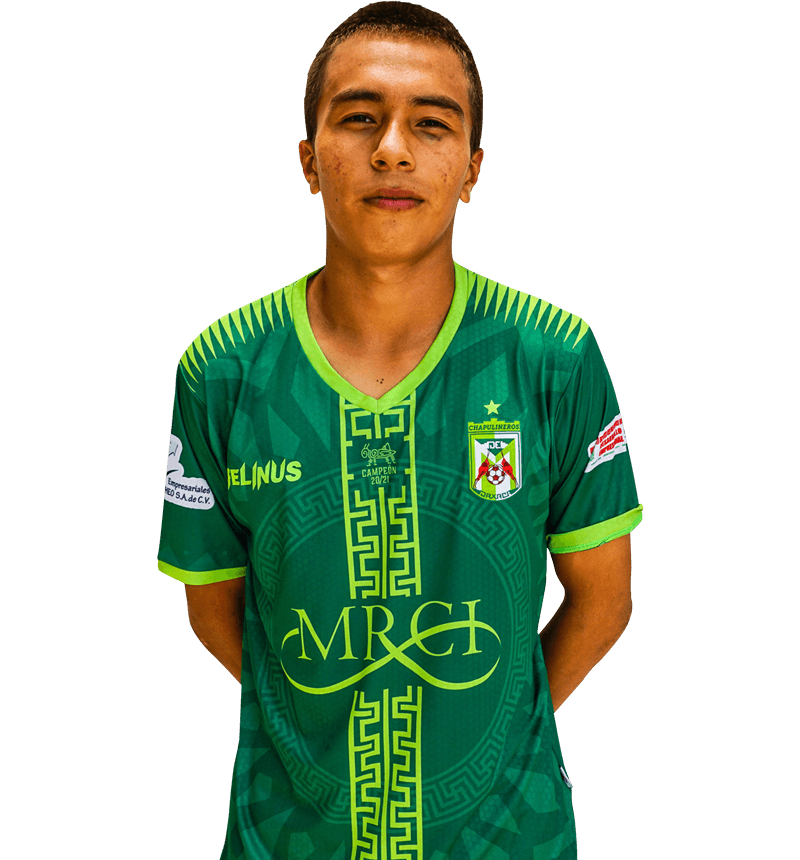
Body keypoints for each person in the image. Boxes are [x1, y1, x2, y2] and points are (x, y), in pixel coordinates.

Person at [157, 3, 643, 858]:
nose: (392, 149)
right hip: (286, 841)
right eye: (358, 118)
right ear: (309, 161)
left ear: (473, 169)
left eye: (431, 124)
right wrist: (310, 732)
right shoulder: (223, 368)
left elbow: (603, 600)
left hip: (508, 840)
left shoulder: (553, 357)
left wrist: (494, 728)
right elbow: (210, 606)